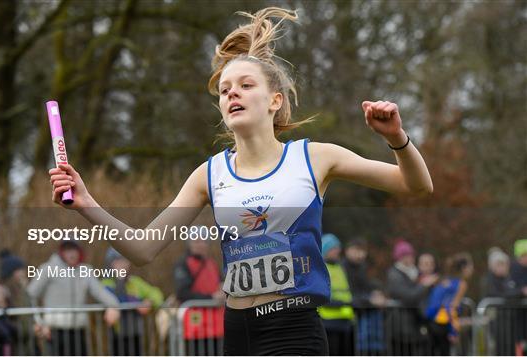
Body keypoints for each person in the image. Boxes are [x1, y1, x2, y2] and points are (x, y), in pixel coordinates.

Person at [48, 7, 433, 355]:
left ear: (274, 100)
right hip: (238, 333)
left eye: (246, 85)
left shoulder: (314, 158)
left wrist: (396, 138)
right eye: (225, 90)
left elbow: (416, 185)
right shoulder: (209, 174)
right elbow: (143, 249)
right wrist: (86, 203)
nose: (232, 93)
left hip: (295, 329)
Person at [27, 240, 121, 356]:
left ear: (79, 252)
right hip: (54, 331)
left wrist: (114, 306)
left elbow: (100, 292)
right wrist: (39, 322)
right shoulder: (47, 268)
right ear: (62, 252)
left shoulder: (85, 270)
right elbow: (30, 295)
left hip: (78, 331)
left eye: (74, 250)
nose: (72, 254)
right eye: (68, 250)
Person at [102, 247, 164, 356]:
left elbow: (157, 294)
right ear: (110, 264)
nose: (122, 264)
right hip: (117, 334)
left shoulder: (135, 283)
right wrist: (120, 280)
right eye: (117, 261)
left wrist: (149, 302)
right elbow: (118, 299)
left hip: (135, 333)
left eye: (124, 260)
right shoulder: (106, 284)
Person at [173, 238, 224, 355]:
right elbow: (182, 293)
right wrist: (211, 298)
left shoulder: (212, 263)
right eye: (196, 241)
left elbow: (220, 284)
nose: (201, 244)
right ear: (189, 244)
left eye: (204, 241)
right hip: (195, 328)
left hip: (216, 327)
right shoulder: (182, 264)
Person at [386, 240, 437, 355]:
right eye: (407, 255)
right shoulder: (395, 275)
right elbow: (409, 296)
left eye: (411, 254)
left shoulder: (412, 273)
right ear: (400, 257)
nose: (411, 258)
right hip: (400, 327)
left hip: (412, 326)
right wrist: (424, 285)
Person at [343, 238, 386, 355]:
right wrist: (370, 300)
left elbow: (367, 284)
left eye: (362, 251)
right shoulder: (342, 267)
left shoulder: (362, 267)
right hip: (346, 317)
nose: (360, 254)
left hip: (358, 314)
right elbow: (351, 292)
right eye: (357, 250)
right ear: (347, 250)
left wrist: (378, 291)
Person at [425, 252, 473, 356]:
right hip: (442, 323)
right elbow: (451, 308)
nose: (472, 270)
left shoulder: (444, 281)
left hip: (431, 321)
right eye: (470, 266)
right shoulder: (461, 284)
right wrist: (453, 332)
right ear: (464, 268)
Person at [317, 233, 355, 356]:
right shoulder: (321, 268)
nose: (337, 251)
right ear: (326, 250)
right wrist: (343, 303)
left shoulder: (340, 268)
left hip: (345, 322)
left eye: (338, 248)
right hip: (329, 322)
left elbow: (346, 292)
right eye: (333, 248)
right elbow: (322, 296)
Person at [510, 239, 527, 355]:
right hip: (515, 315)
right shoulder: (513, 269)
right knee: (518, 342)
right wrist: (521, 291)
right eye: (525, 255)